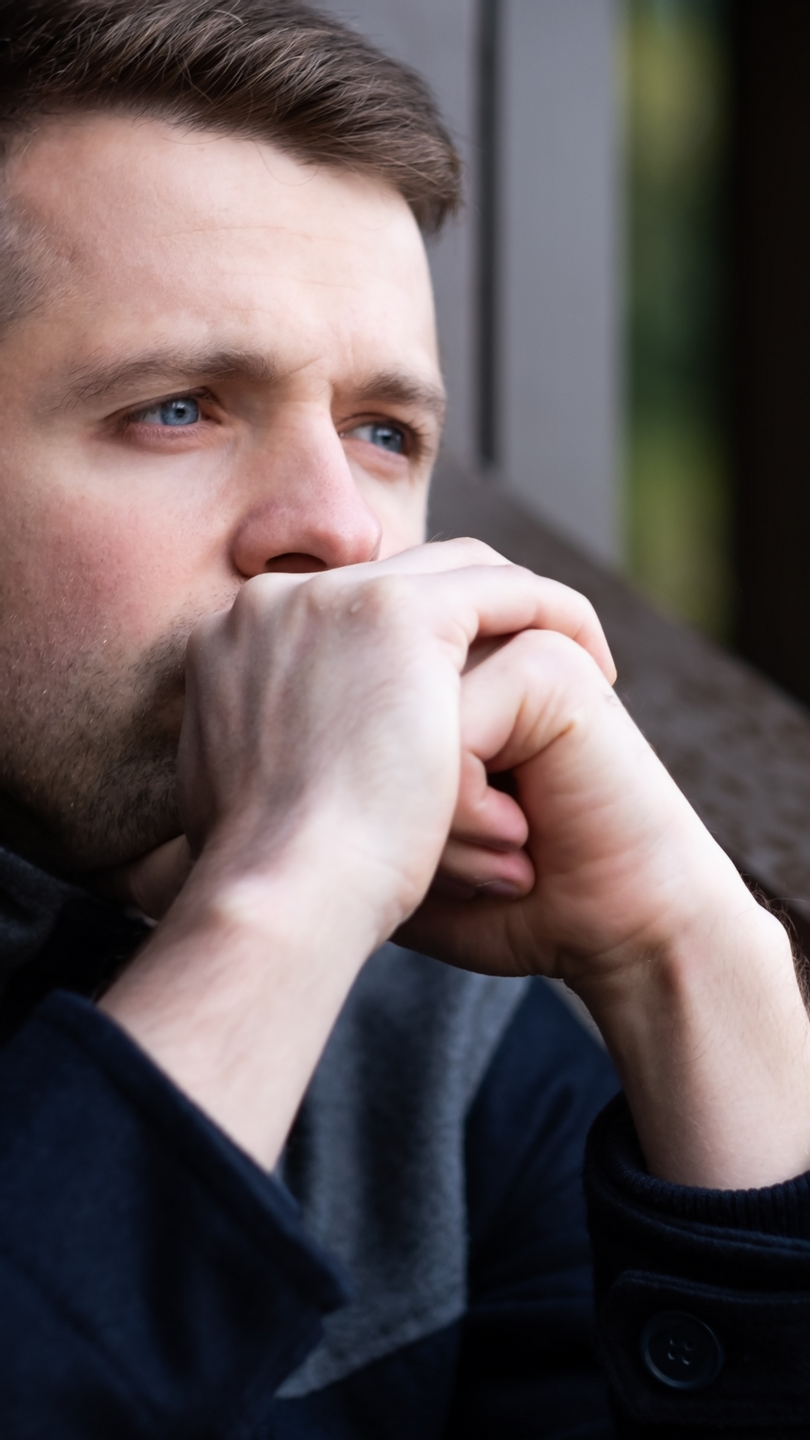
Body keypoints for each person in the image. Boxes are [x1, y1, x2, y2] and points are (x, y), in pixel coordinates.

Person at [1, 0, 809, 1434]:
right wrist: (286, 891)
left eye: (383, 433)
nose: (341, 532)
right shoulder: (320, 918)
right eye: (180, 407)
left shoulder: (441, 1049)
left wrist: (693, 963)